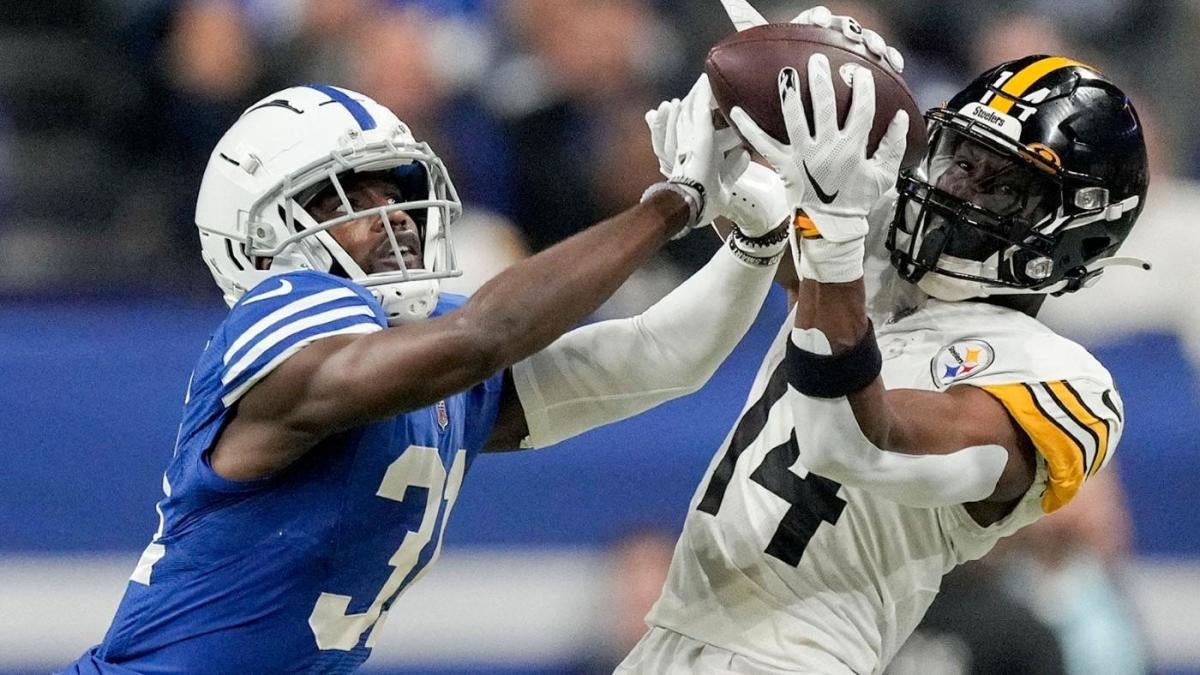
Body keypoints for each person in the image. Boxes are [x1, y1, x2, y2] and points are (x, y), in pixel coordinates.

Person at [61, 79, 791, 673]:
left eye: (392, 189)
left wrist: (755, 241)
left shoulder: (426, 350)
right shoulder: (279, 322)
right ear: (261, 240)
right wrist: (674, 201)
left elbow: (656, 358)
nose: (394, 214)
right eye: (348, 194)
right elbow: (484, 335)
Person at [617, 3, 1149, 674]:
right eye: (963, 159)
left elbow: (854, 441)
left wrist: (832, 232)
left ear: (1076, 231)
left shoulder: (1060, 381)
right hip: (671, 635)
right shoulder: (879, 270)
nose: (960, 189)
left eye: (1004, 186)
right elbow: (781, 238)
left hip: (794, 657)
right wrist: (727, 150)